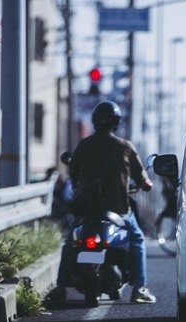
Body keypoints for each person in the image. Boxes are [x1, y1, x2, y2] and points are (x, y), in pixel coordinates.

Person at [48, 101, 156, 304]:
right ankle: (139, 288)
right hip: (118, 209)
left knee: (70, 242)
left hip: (87, 209)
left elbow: (73, 173)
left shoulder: (84, 145)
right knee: (138, 240)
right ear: (116, 123)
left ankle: (60, 287)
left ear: (95, 121)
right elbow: (142, 178)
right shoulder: (125, 147)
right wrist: (146, 183)